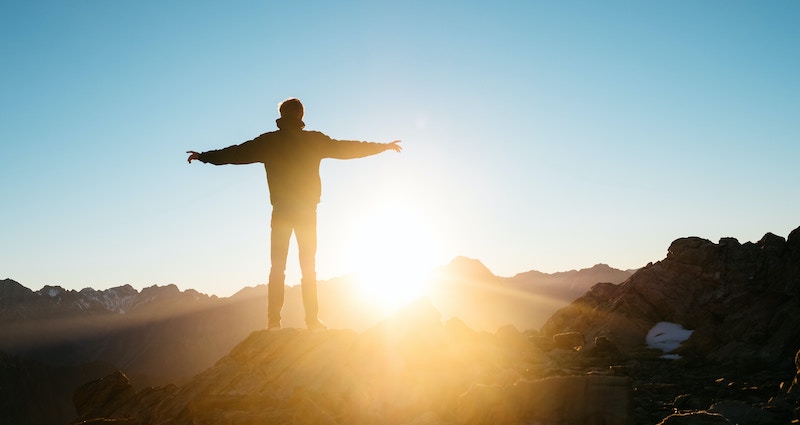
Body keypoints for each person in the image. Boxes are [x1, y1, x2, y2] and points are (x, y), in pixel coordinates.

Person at [187, 98, 401, 331]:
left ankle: (273, 322)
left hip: (282, 210)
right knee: (308, 266)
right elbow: (349, 148)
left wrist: (204, 156)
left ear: (281, 114)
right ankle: (312, 321)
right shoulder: (314, 141)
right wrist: (382, 147)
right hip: (307, 211)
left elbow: (235, 153)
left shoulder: (269, 141)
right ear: (301, 116)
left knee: (277, 267)